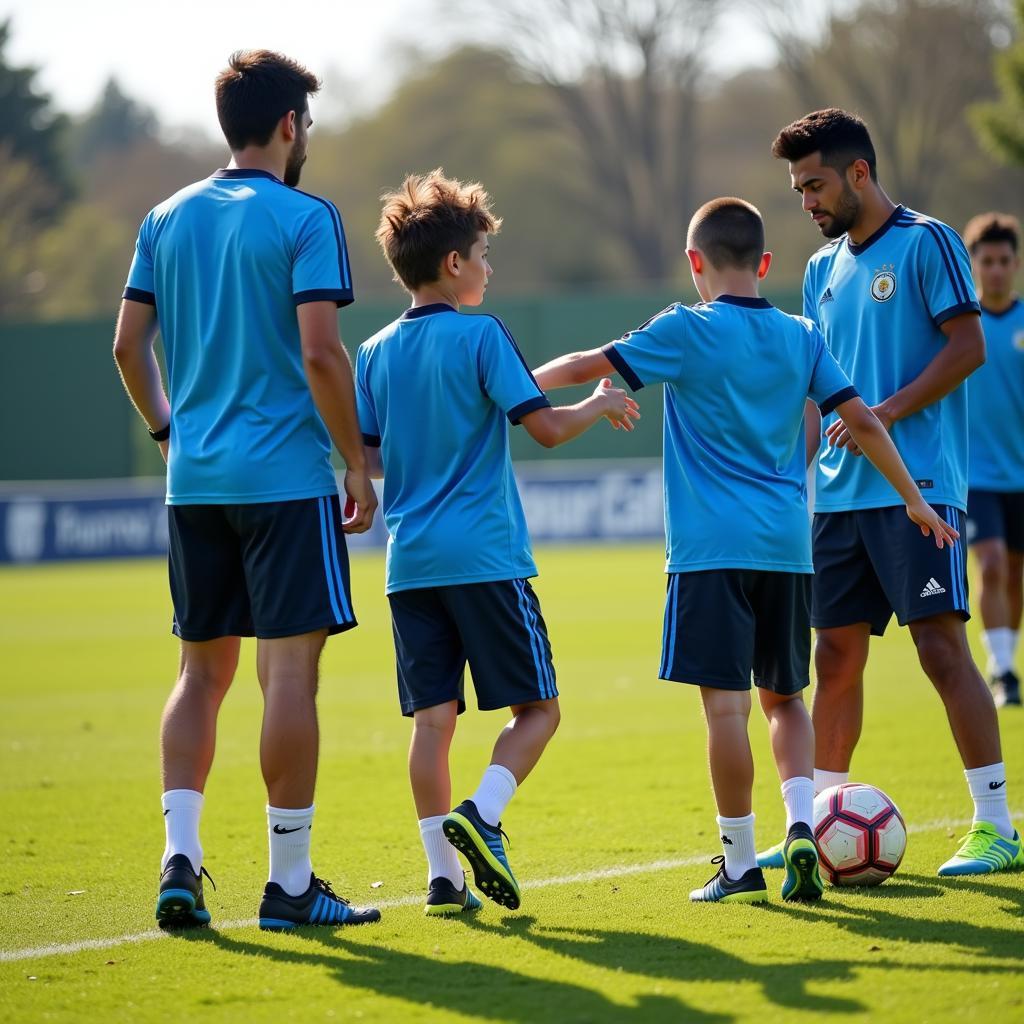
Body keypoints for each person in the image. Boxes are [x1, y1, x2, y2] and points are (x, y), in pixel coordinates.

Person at [531, 196, 956, 903]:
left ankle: (736, 863)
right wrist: (914, 498)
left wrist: (512, 385)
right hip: (789, 549)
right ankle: (800, 827)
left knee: (726, 711)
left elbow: (584, 365)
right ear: (764, 263)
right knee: (787, 701)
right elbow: (863, 422)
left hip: (708, 550)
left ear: (694, 263)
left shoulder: (684, 330)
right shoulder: (801, 335)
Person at [113, 50, 381, 931]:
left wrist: (166, 434)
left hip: (195, 484)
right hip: (285, 481)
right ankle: (291, 884)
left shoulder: (165, 216)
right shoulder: (308, 216)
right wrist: (355, 459)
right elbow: (319, 351)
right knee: (289, 675)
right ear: (291, 125)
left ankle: (179, 859)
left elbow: (127, 347)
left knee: (199, 673)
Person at [356, 170, 639, 916]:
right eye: (482, 255)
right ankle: (481, 813)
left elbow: (374, 452)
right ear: (454, 263)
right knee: (538, 711)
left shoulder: (374, 352)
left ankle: (442, 880)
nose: (487, 268)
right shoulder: (481, 331)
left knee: (433, 721)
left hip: (408, 563)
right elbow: (542, 428)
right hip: (483, 557)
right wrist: (596, 404)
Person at [764, 107, 1021, 876]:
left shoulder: (928, 241)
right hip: (838, 498)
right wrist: (793, 471)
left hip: (920, 486)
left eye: (814, 185)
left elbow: (968, 345)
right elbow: (817, 390)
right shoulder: (819, 271)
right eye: (797, 189)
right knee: (835, 657)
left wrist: (885, 412)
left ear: (859, 174)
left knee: (941, 648)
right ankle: (821, 821)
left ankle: (997, 824)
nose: (806, 201)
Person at [963, 212, 1024, 708]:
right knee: (993, 563)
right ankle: (1002, 671)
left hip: (1020, 475)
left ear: (1016, 263)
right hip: (974, 475)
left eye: (1005, 261)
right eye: (987, 261)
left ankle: (1007, 657)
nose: (997, 269)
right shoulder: (961, 329)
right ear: (973, 264)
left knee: (1015, 572)